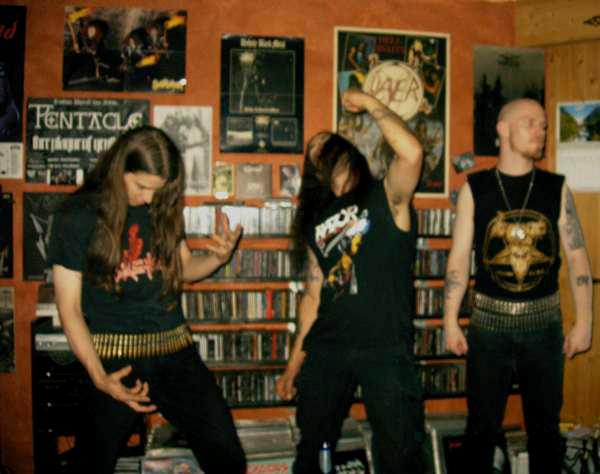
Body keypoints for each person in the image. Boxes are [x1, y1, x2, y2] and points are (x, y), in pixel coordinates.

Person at [48, 126, 246, 474]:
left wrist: (218, 257)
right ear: (119, 170)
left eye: (158, 189)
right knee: (92, 464)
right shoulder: (77, 214)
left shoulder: (162, 206)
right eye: (141, 187)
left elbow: (184, 269)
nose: (150, 198)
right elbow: (69, 309)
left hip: (174, 350)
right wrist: (99, 376)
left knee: (228, 457)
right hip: (115, 358)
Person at [276, 89, 425, 474]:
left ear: (348, 150)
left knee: (400, 453)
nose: (319, 146)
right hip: (329, 345)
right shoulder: (315, 224)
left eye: (327, 141)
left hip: (385, 345)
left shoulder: (385, 194)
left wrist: (372, 103)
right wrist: (293, 365)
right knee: (311, 448)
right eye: (312, 149)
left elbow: (411, 153)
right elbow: (312, 298)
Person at [443, 98, 593, 474]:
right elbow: (459, 259)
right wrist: (449, 320)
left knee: (545, 434)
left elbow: (577, 257)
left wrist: (585, 321)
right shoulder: (475, 188)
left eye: (543, 125)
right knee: (480, 432)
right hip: (488, 327)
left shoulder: (556, 188)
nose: (540, 131)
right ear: (503, 128)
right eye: (530, 123)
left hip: (544, 327)